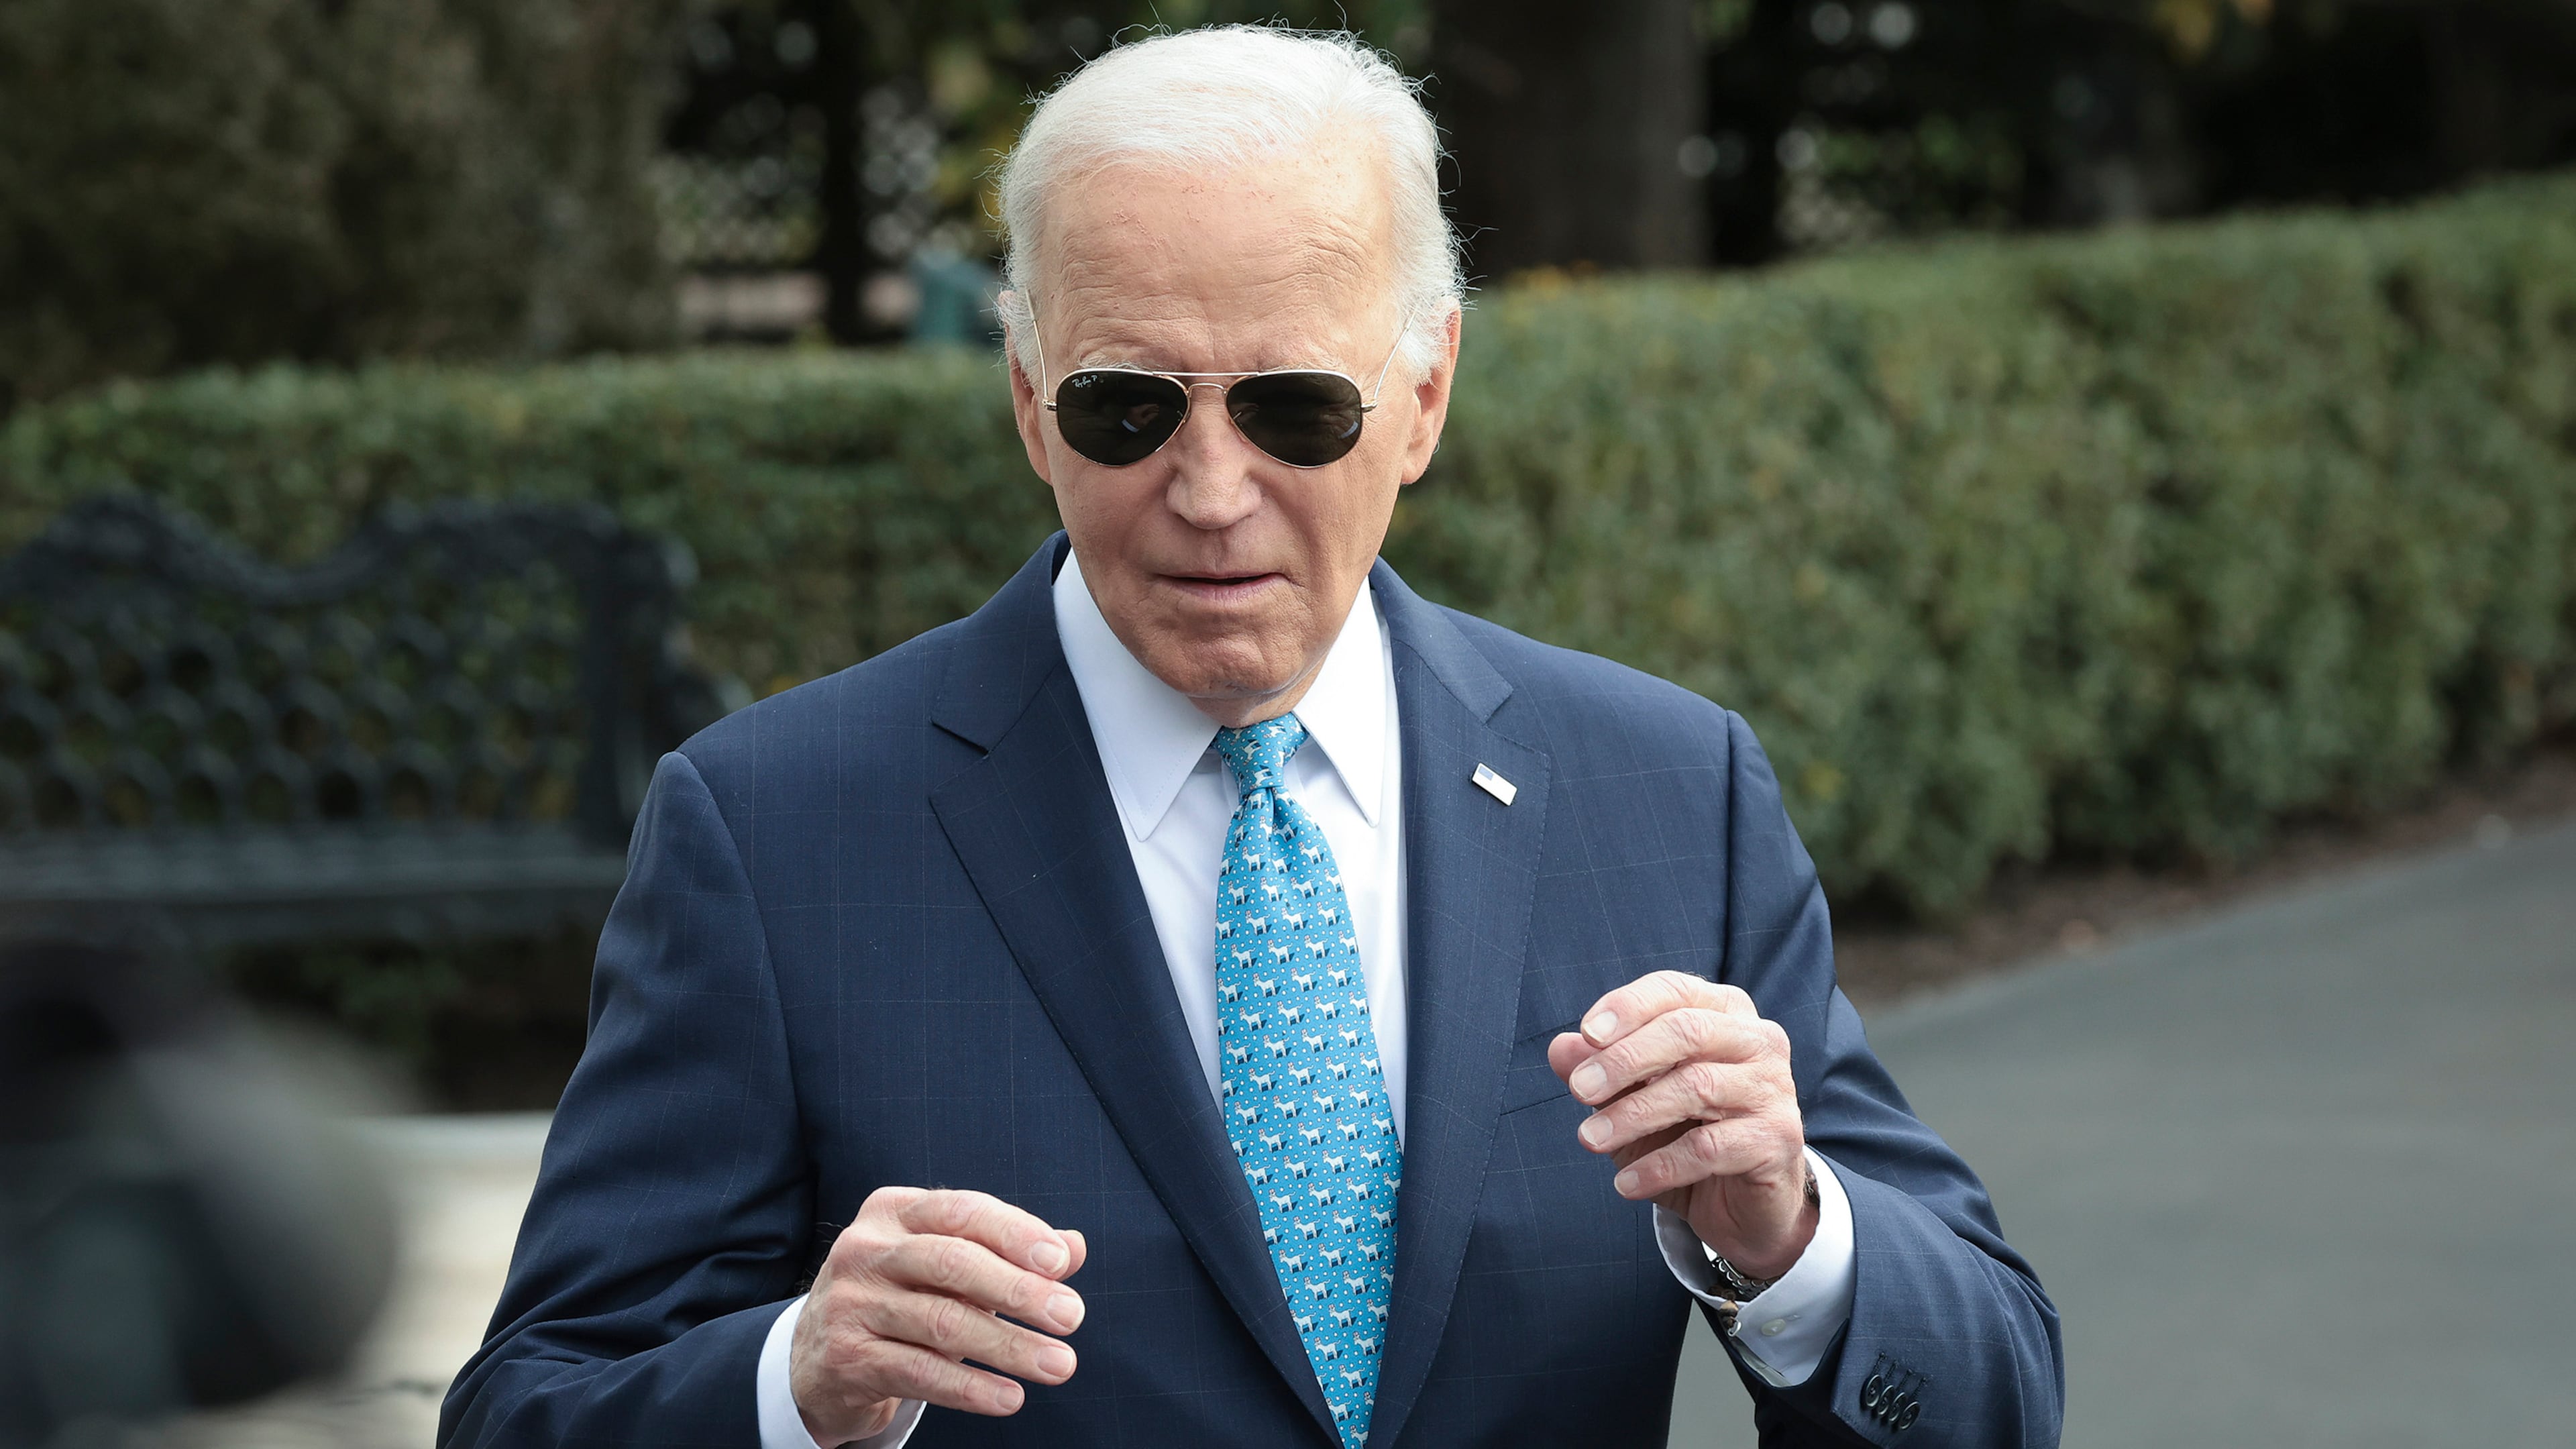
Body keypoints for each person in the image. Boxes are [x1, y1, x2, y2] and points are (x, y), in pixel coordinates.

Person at [441, 25, 2061, 1449]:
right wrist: (798, 1384)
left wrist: (1796, 1245)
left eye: (1295, 408)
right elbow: (534, 1407)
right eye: (1127, 409)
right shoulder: (776, 829)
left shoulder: (1665, 790)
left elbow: (1991, 1398)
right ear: (1026, 399)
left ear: (1425, 397)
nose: (1212, 496)